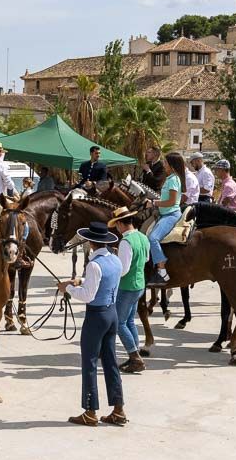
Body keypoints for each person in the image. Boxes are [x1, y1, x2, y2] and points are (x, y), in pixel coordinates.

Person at [57, 221, 125, 427]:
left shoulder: (93, 264)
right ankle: (118, 408)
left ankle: (89, 410)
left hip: (96, 316)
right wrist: (78, 282)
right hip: (112, 313)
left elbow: (88, 295)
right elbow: (104, 283)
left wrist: (66, 289)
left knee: (90, 363)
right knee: (111, 361)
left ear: (90, 242)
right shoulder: (115, 260)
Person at [109, 207, 148, 374]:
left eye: (116, 225)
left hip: (127, 286)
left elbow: (123, 270)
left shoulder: (125, 242)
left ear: (119, 224)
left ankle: (135, 357)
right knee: (130, 321)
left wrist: (113, 262)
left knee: (119, 323)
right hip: (139, 284)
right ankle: (135, 354)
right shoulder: (142, 237)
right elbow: (145, 259)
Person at [146, 151, 186, 285]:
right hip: (164, 213)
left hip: (171, 215)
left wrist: (153, 203)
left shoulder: (174, 179)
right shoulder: (170, 178)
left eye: (165, 162)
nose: (163, 164)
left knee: (153, 238)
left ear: (172, 165)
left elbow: (171, 202)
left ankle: (162, 272)